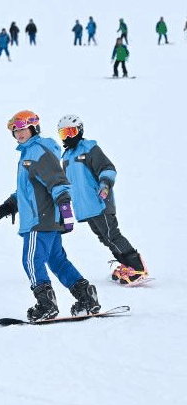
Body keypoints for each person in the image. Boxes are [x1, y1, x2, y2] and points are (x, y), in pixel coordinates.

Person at [0, 110, 101, 321]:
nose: (19, 134)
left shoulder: (37, 151)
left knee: (31, 260)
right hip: (47, 219)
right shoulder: (31, 153)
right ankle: (86, 297)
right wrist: (7, 207)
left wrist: (66, 212)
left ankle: (46, 304)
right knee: (56, 260)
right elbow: (28, 190)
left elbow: (57, 182)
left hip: (39, 220)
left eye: (23, 129)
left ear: (33, 128)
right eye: (15, 131)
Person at [57, 114, 147, 285]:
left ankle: (137, 267)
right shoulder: (66, 157)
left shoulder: (89, 148)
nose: (68, 137)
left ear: (79, 130)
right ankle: (126, 266)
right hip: (85, 208)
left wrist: (105, 184)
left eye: (71, 131)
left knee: (112, 235)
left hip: (99, 203)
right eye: (63, 133)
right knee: (104, 238)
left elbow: (107, 168)